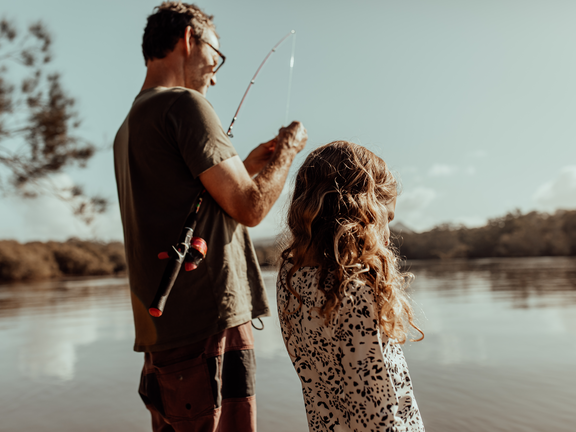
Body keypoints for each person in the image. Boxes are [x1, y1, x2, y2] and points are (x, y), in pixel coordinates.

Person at [112, 2, 308, 431]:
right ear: (187, 39)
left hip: (163, 339)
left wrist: (250, 164)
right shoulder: (185, 105)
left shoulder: (128, 125)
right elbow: (251, 208)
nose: (216, 74)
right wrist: (289, 151)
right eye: (215, 57)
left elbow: (185, 196)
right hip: (208, 327)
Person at [277, 141, 425, 432]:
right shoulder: (357, 287)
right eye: (388, 217)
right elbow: (377, 408)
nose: (388, 232)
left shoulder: (289, 277)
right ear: (365, 211)